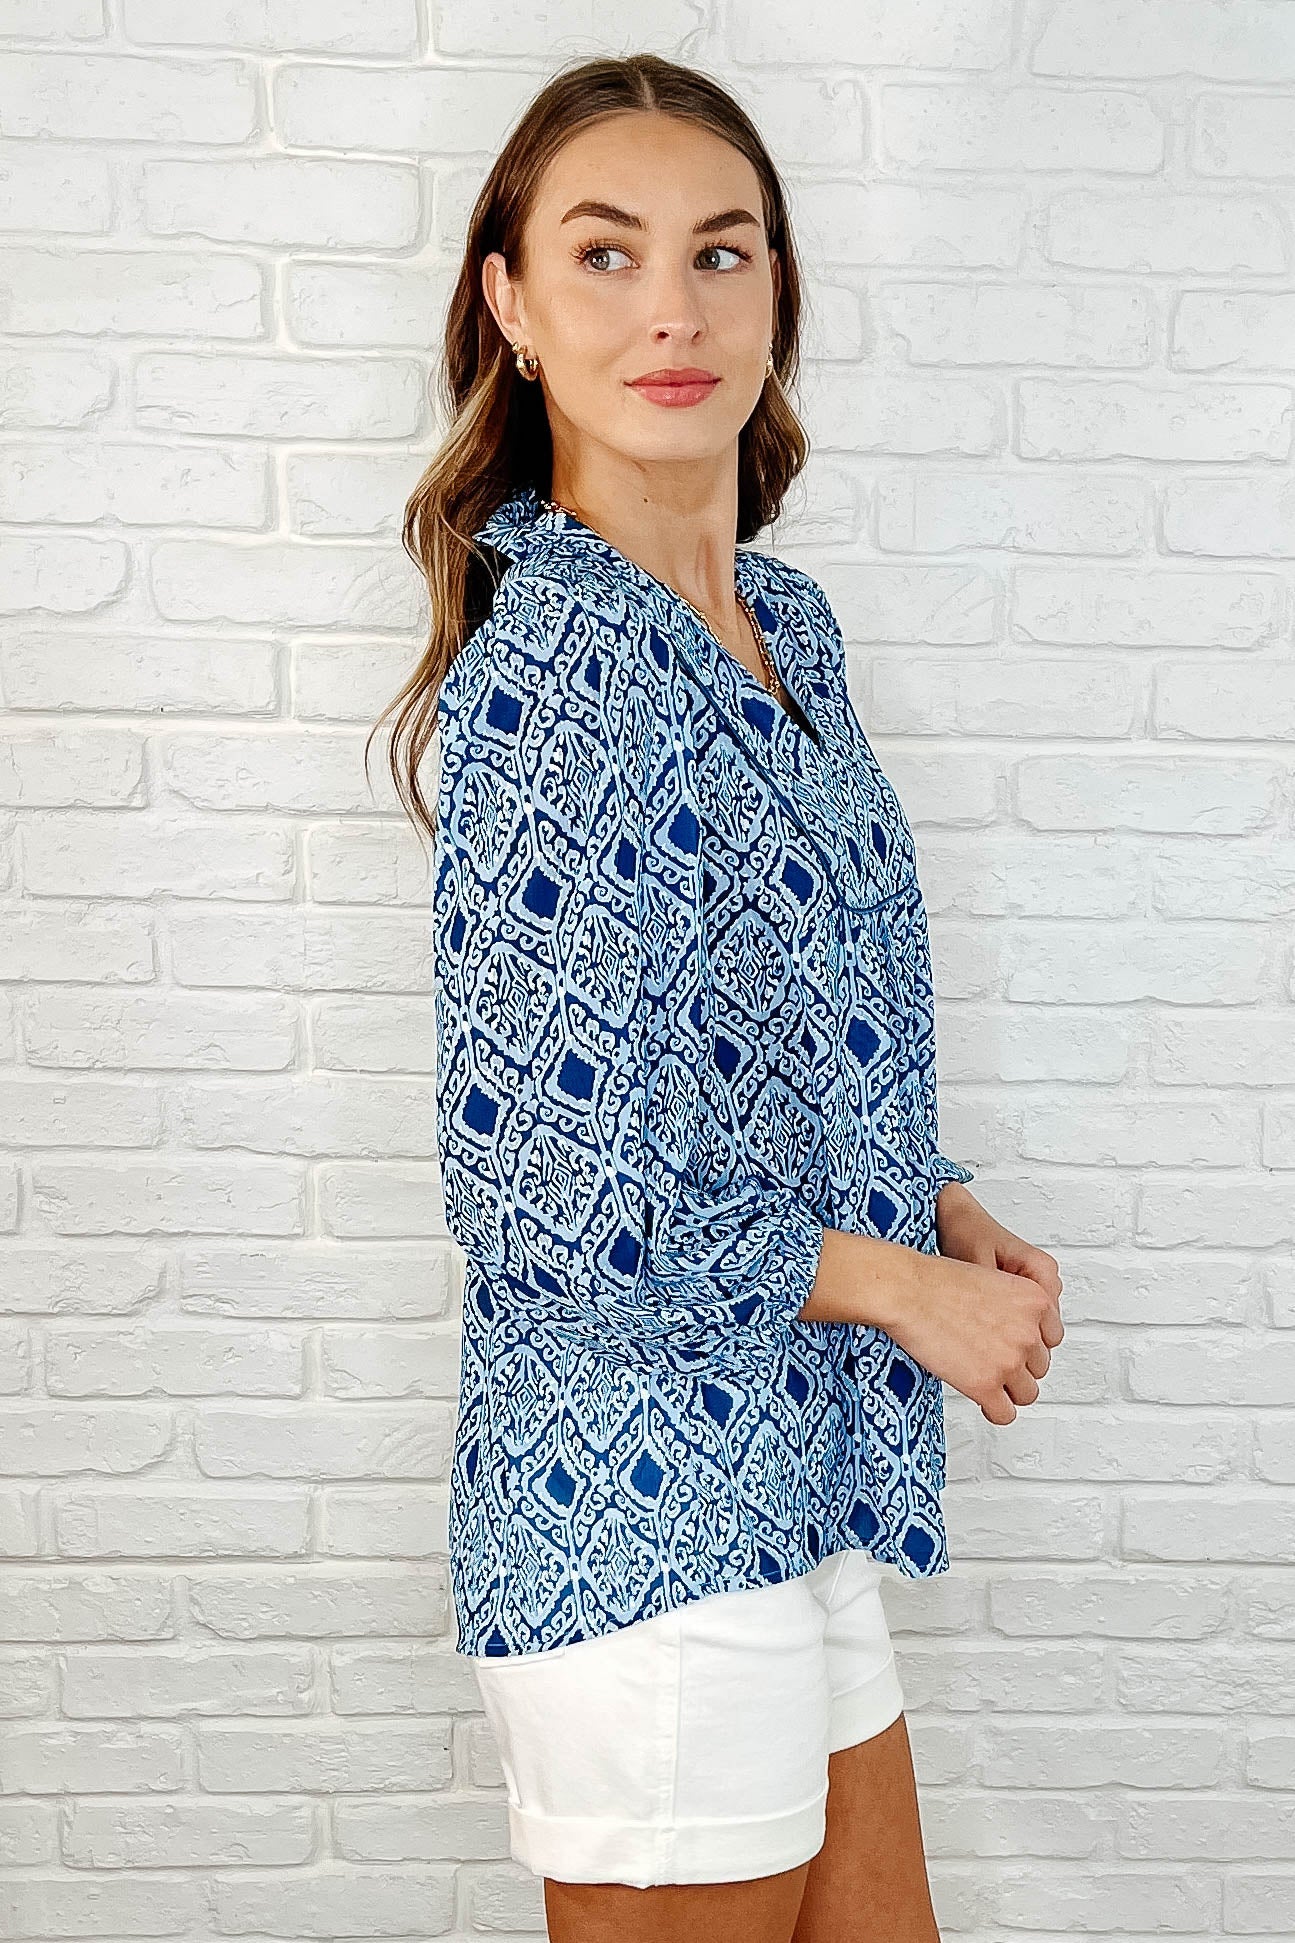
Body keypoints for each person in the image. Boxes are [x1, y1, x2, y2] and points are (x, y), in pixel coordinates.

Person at [370, 50, 1064, 1943]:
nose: (669, 309)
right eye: (603, 255)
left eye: (719, 252)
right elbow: (544, 1203)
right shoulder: (555, 678)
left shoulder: (790, 632)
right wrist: (893, 1287)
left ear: (776, 296)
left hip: (793, 1469)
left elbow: (782, 1029)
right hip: (638, 1513)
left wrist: (932, 1208)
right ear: (512, 306)